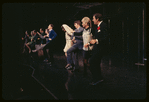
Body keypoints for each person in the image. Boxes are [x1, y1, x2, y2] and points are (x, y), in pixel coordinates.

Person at [84, 13, 108, 85]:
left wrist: (96, 40)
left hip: (100, 49)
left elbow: (106, 38)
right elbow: (96, 39)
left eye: (93, 18)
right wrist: (89, 43)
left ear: (97, 19)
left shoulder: (104, 25)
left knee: (91, 62)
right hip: (97, 49)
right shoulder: (98, 26)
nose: (92, 20)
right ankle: (98, 78)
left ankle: (96, 78)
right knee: (96, 64)